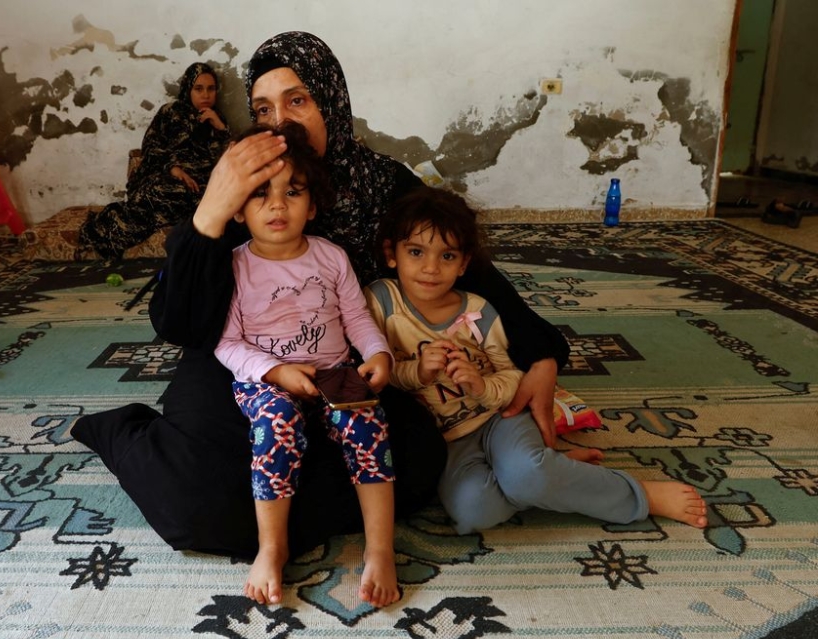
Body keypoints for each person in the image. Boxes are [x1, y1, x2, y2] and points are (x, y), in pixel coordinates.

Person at [70, 32, 569, 560]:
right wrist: (213, 211)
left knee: (419, 462)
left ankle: (277, 511)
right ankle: (124, 432)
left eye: (298, 101)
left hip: (340, 361)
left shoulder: (382, 183)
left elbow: (466, 269)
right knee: (197, 507)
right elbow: (179, 324)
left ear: (332, 103)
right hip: (242, 360)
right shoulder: (243, 188)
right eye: (263, 108)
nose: (280, 121)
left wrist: (540, 354)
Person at [364, 187, 709, 533]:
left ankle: (637, 495)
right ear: (391, 253)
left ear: (465, 262)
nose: (430, 268)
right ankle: (552, 474)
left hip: (499, 418)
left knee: (527, 474)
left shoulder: (479, 311)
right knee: (473, 513)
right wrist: (418, 371)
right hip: (449, 439)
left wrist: (482, 386)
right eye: (415, 252)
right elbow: (379, 372)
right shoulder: (382, 301)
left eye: (447, 257)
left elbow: (512, 377)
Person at [216, 122, 399, 607]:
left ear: (312, 204)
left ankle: (380, 549)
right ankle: (272, 547)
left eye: (292, 192)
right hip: (267, 383)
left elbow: (357, 317)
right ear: (237, 209)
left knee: (369, 424)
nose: (277, 206)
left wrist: (378, 353)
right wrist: (276, 372)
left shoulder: (331, 257)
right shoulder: (234, 266)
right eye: (261, 195)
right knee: (277, 423)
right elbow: (227, 344)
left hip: (334, 375)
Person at [77, 62, 229, 259]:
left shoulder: (218, 119)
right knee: (162, 190)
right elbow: (151, 148)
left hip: (201, 186)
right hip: (167, 179)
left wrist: (220, 128)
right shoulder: (169, 113)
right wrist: (173, 169)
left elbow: (229, 159)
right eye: (198, 89)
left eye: (211, 89)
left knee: (205, 198)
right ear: (187, 89)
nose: (206, 95)